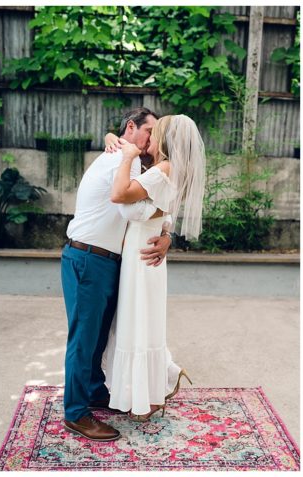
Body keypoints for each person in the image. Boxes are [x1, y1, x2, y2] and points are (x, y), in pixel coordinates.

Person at [59, 108, 173, 442]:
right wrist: (123, 147)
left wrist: (166, 236)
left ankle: (95, 392)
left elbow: (154, 208)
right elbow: (128, 199)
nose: (152, 139)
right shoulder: (120, 159)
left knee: (97, 336)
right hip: (88, 256)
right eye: (148, 131)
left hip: (108, 260)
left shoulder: (130, 159)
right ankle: (76, 413)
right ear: (131, 127)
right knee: (83, 338)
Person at [101, 115, 204, 422]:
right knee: (140, 319)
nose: (149, 141)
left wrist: (128, 156)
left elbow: (119, 194)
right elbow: (161, 211)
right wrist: (111, 136)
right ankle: (163, 377)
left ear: (166, 141)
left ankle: (146, 397)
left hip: (143, 254)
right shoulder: (167, 170)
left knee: (137, 321)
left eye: (155, 135)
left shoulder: (162, 171)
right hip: (146, 250)